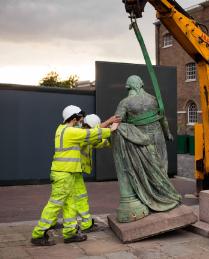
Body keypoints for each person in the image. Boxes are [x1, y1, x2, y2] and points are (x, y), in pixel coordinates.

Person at [31, 105, 116, 246]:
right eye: (79, 118)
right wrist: (111, 129)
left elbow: (90, 135)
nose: (80, 121)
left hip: (67, 173)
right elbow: (89, 134)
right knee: (54, 204)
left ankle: (70, 233)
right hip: (63, 174)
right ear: (74, 118)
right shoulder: (70, 131)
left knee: (70, 203)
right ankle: (38, 234)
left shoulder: (62, 129)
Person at [111, 75, 181, 222]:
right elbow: (163, 118)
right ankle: (166, 195)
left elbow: (117, 122)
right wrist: (167, 133)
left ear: (128, 86)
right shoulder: (153, 99)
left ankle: (157, 198)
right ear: (141, 84)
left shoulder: (125, 102)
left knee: (148, 170)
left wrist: (106, 131)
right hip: (158, 135)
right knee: (160, 167)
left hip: (141, 139)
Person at [76, 114, 119, 233]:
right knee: (70, 198)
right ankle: (84, 224)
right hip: (72, 171)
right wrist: (110, 121)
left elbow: (100, 142)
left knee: (77, 198)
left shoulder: (86, 135)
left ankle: (86, 223)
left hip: (75, 171)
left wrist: (112, 139)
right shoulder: (81, 133)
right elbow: (95, 133)